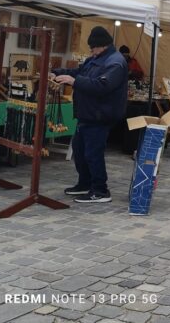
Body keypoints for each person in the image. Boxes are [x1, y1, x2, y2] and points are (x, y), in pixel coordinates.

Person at [51, 26, 128, 203]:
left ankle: (100, 191)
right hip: (87, 114)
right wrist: (58, 73)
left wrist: (74, 82)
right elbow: (79, 72)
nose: (91, 51)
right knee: (79, 151)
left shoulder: (116, 62)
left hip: (100, 115)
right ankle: (85, 183)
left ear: (102, 45)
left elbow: (102, 86)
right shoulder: (96, 58)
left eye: (93, 48)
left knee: (93, 154)